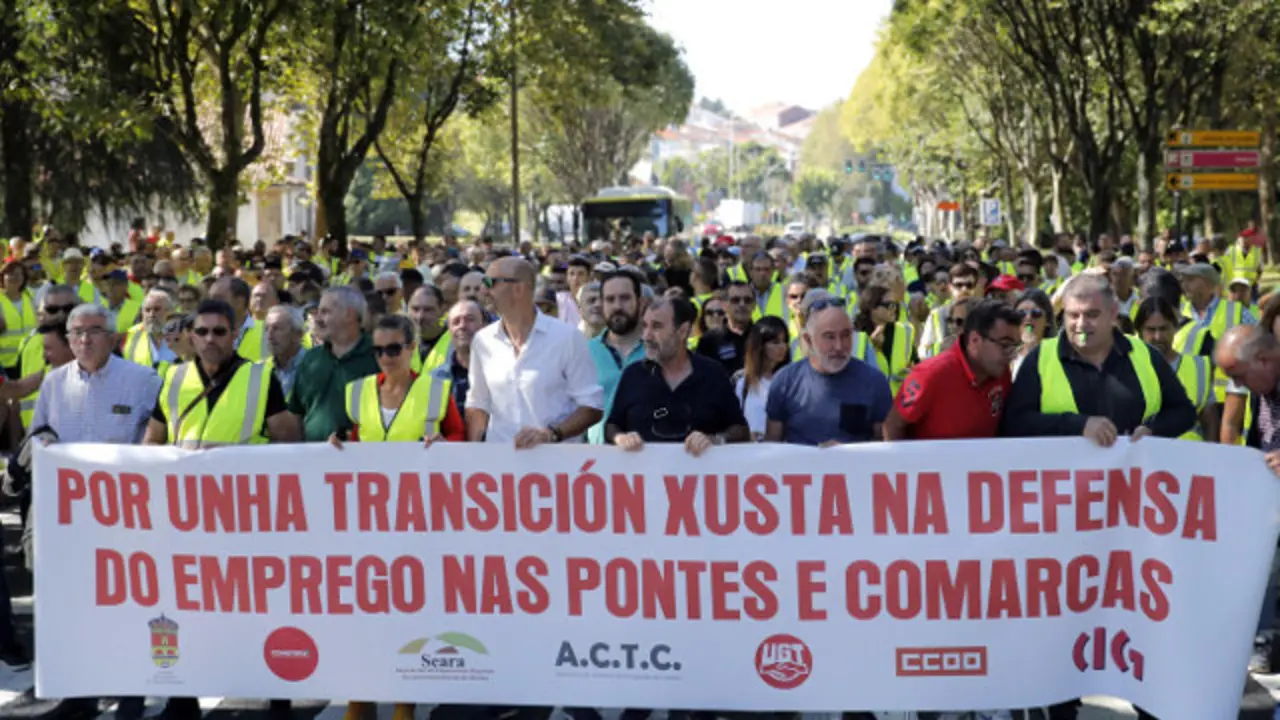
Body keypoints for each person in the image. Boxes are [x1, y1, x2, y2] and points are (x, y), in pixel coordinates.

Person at [330, 314, 463, 720]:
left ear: (412, 348)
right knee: (364, 613)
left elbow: (460, 438)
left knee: (410, 613)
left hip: (420, 521)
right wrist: (336, 443)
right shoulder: (358, 392)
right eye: (378, 350)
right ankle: (361, 697)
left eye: (393, 349)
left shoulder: (437, 391)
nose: (385, 358)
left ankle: (405, 701)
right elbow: (353, 438)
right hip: (368, 521)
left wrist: (444, 443)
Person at [1001, 274, 1196, 446]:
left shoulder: (1145, 354)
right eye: (1073, 315)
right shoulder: (1040, 358)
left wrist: (1153, 430)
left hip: (1132, 480)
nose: (1081, 324)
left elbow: (1184, 411)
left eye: (1092, 315)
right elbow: (1015, 422)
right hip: (1066, 483)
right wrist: (1078, 425)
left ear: (1113, 313)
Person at [466, 257, 603, 445]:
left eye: (490, 283)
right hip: (501, 467)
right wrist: (473, 454)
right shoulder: (483, 341)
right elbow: (477, 404)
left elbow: (592, 406)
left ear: (519, 288)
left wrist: (551, 434)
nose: (483, 290)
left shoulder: (568, 338)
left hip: (556, 467)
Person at [607, 296, 750, 452]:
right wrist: (620, 438)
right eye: (645, 326)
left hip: (699, 474)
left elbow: (741, 430)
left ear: (682, 331)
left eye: (656, 327)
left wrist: (715, 439)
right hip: (644, 474)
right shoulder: (632, 375)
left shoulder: (713, 374)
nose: (646, 336)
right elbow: (612, 426)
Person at [764, 293, 892, 446]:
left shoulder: (875, 382)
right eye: (829, 337)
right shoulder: (785, 382)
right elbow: (772, 448)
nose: (839, 346)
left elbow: (885, 448)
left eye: (845, 335)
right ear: (808, 340)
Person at [884, 300, 1019, 440]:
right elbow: (893, 425)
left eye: (1015, 346)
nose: (1012, 354)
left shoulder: (1001, 373)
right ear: (975, 340)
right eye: (1005, 345)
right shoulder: (931, 374)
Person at [288, 286, 379, 441]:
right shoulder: (311, 359)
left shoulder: (379, 357)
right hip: (312, 458)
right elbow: (296, 414)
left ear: (349, 315)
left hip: (362, 459)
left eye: (325, 312)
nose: (317, 319)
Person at [1134, 297, 1218, 442]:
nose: (1158, 336)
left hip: (1187, 457)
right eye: (1151, 330)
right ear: (1140, 331)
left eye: (1164, 328)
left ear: (1175, 328)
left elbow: (1210, 421)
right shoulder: (1129, 365)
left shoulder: (1199, 367)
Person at [587, 271, 646, 444]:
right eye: (610, 300)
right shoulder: (584, 352)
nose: (617, 306)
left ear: (641, 303)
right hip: (595, 460)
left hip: (649, 455)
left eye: (625, 298)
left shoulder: (659, 352)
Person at [735, 316, 789, 440]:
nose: (783, 347)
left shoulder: (791, 381)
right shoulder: (742, 383)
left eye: (785, 341)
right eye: (775, 342)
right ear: (760, 345)